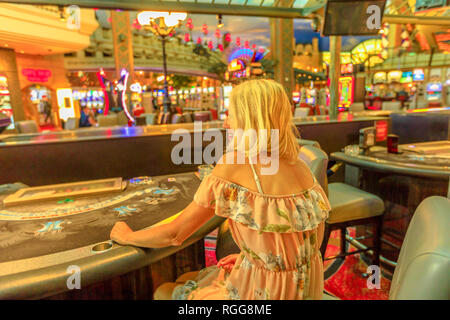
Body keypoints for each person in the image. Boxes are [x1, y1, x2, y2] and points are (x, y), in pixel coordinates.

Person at [110, 79, 331, 300]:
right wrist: (254, 257)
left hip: (264, 296)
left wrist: (128, 236)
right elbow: (296, 241)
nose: (226, 124)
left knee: (163, 292)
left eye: (231, 114)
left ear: (249, 119)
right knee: (187, 277)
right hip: (303, 289)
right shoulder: (300, 165)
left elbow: (175, 235)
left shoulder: (236, 164)